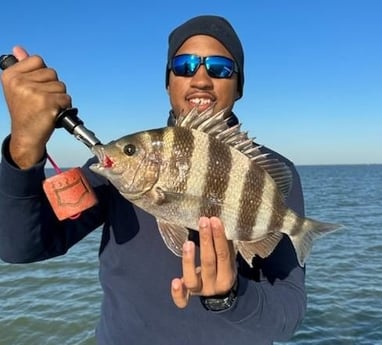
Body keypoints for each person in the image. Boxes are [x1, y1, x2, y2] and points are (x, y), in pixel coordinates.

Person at [0, 15, 306, 345]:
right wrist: (24, 148)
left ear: (239, 85)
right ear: (168, 80)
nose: (201, 78)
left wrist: (231, 295)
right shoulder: (117, 169)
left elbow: (287, 315)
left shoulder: (267, 173)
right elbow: (21, 247)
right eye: (185, 64)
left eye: (219, 67)